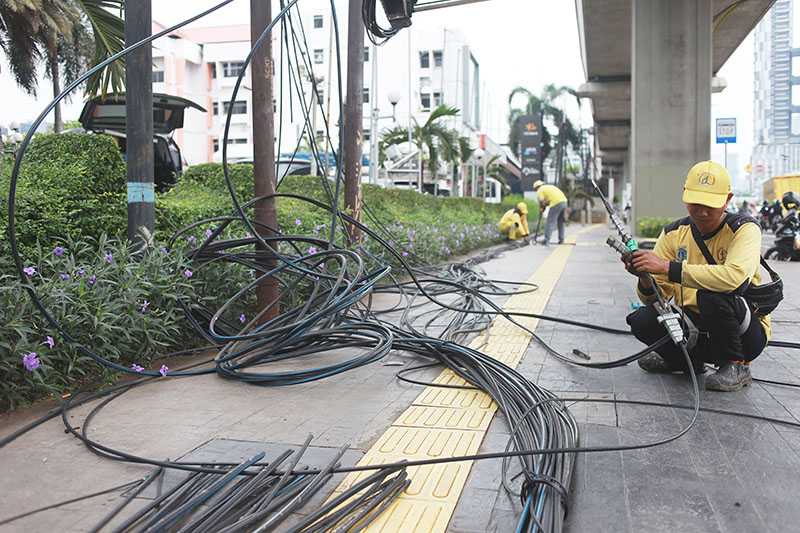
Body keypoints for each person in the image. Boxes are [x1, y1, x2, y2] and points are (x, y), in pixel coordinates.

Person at [623, 160, 771, 392]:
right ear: (684, 195)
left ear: (728, 199)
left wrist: (667, 267)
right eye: (695, 202)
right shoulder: (673, 233)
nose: (702, 211)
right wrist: (644, 277)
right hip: (694, 326)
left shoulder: (745, 229)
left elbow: (734, 278)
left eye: (710, 204)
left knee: (712, 293)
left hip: (742, 333)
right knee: (642, 320)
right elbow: (657, 300)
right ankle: (685, 361)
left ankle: (736, 366)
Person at [533, 180, 567, 245]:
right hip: (564, 202)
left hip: (556, 203)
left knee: (550, 222)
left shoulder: (540, 190)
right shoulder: (549, 187)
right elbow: (547, 202)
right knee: (560, 222)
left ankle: (546, 240)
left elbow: (542, 202)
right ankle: (561, 240)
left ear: (536, 188)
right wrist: (544, 207)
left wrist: (541, 208)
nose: (536, 191)